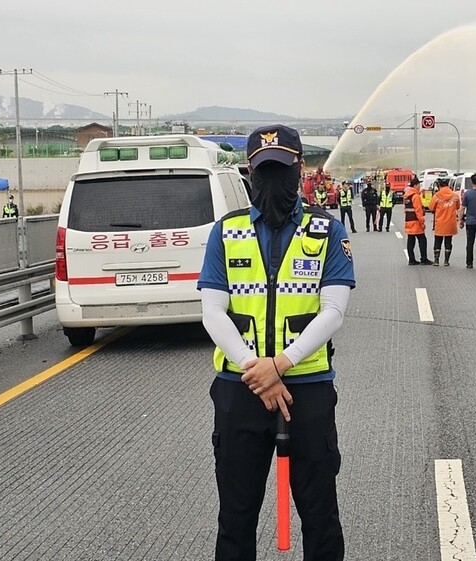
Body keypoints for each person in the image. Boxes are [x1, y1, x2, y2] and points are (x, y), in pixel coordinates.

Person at [197, 125, 353, 561]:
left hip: (307, 390)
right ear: (249, 173)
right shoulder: (226, 232)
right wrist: (257, 369)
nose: (271, 182)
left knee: (320, 516)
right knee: (236, 517)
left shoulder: (327, 230)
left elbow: (334, 311)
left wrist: (280, 364)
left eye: (281, 170)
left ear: (300, 169)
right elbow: (213, 313)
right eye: (262, 172)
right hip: (240, 392)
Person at [429, 175, 460, 266]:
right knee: (448, 241)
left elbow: (431, 207)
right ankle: (446, 261)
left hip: (440, 222)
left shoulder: (437, 196)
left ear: (439, 186)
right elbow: (458, 206)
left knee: (437, 241)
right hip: (450, 223)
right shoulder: (455, 195)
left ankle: (436, 260)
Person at [404, 177, 432, 265]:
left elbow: (405, 209)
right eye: (419, 184)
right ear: (415, 185)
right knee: (422, 240)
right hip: (416, 222)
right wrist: (422, 222)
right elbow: (418, 211)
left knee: (411, 241)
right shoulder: (415, 196)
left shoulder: (407, 196)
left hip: (409, 221)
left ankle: (411, 259)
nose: (420, 186)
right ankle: (424, 259)